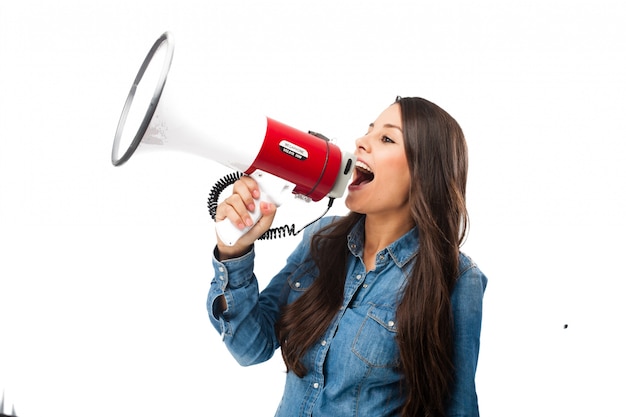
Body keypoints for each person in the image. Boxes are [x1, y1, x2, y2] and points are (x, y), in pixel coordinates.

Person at [207, 96, 488, 417]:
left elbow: (458, 407)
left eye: (386, 138)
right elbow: (250, 347)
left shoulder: (457, 278)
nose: (361, 142)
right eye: (368, 131)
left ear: (423, 171)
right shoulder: (321, 239)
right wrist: (234, 252)